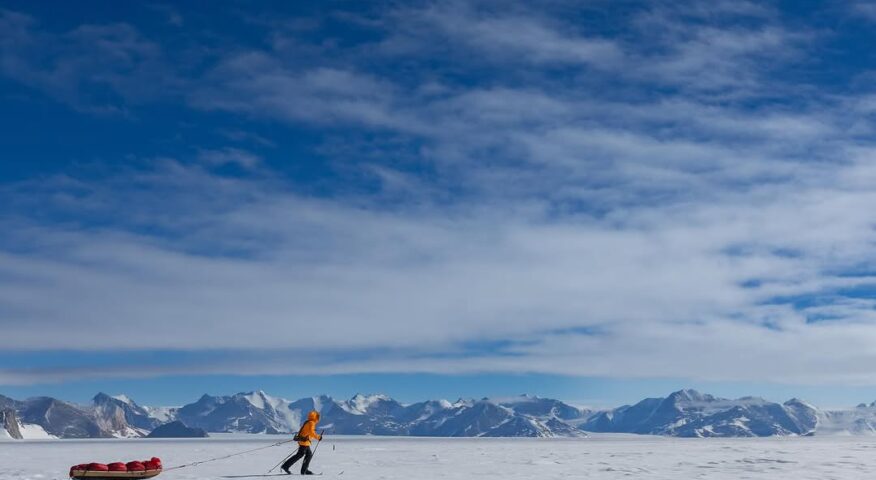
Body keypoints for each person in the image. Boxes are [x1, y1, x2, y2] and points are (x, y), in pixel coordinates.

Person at [282, 410, 323, 475]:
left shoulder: (308, 422)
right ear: (316, 417)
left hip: (304, 441)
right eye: (318, 418)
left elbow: (307, 432)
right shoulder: (311, 423)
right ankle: (287, 466)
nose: (319, 419)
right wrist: (318, 437)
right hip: (304, 442)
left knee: (307, 454)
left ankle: (304, 469)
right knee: (302, 455)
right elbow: (312, 433)